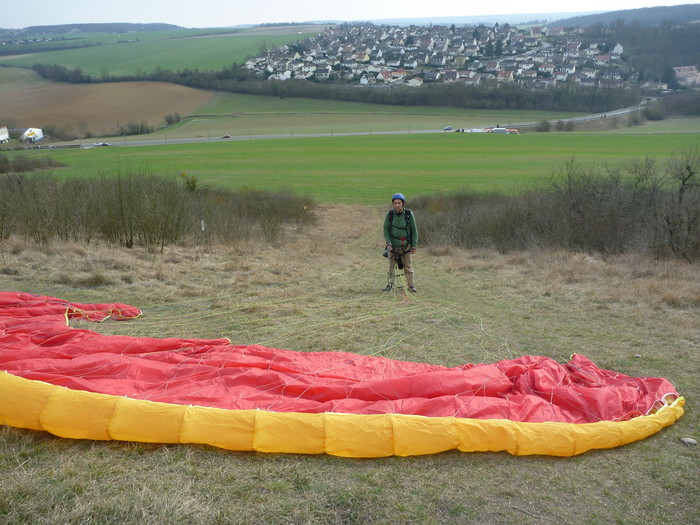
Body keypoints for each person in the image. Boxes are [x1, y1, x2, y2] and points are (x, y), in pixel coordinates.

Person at [383, 193, 418, 293]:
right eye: (395, 203)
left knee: (408, 267)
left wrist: (414, 245)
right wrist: (388, 243)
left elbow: (414, 230)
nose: (397, 205)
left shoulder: (409, 214)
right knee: (390, 267)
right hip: (392, 247)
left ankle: (411, 286)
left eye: (399, 203)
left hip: (405, 247)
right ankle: (389, 285)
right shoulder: (390, 215)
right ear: (393, 204)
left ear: (403, 203)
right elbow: (386, 229)